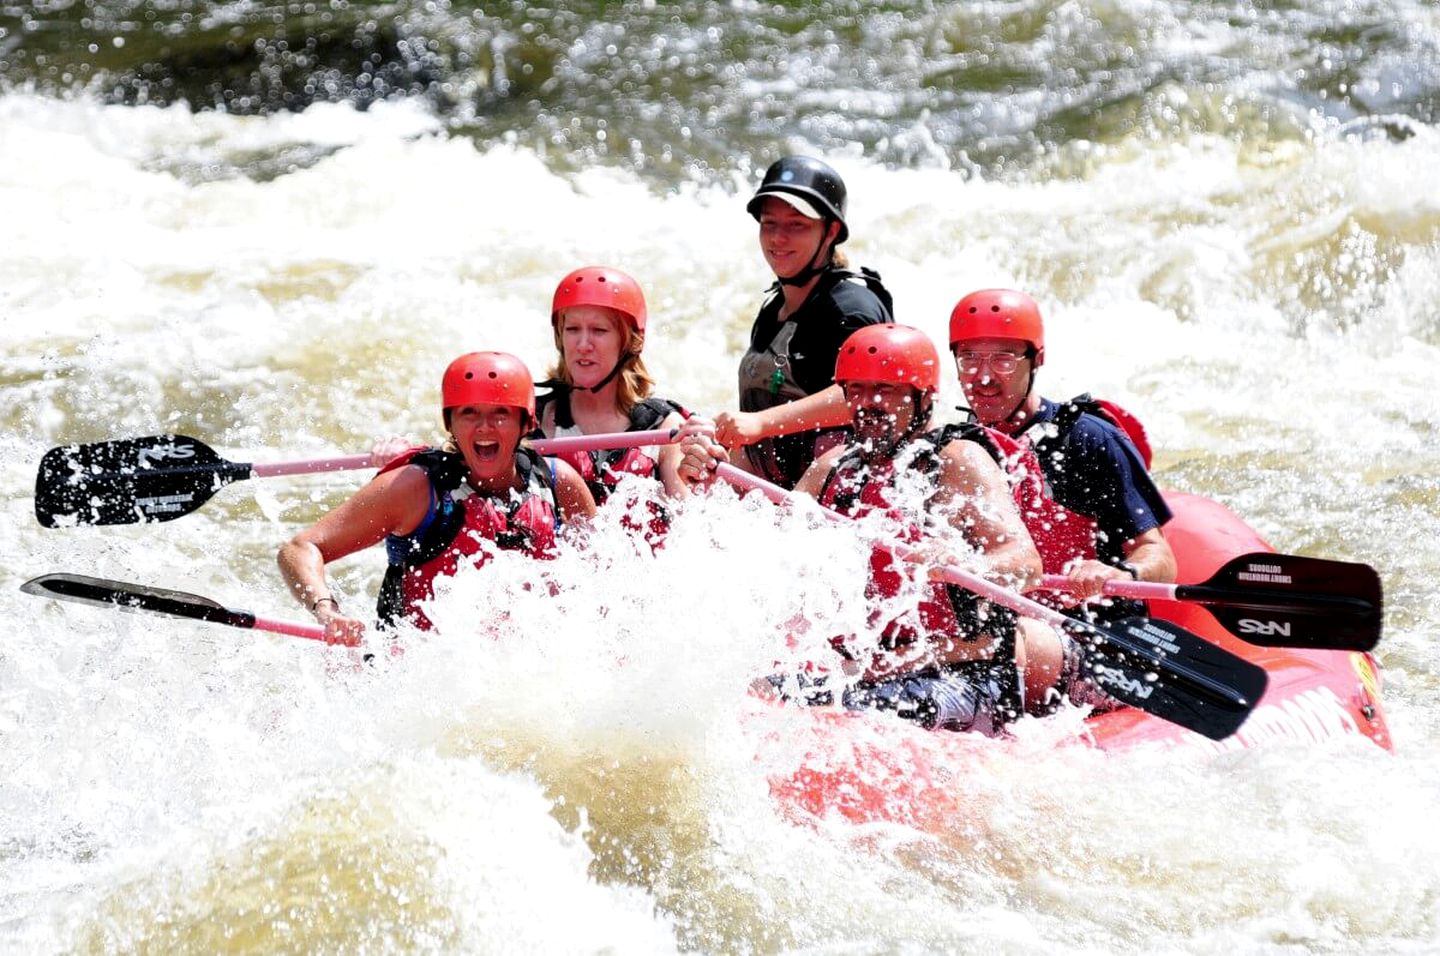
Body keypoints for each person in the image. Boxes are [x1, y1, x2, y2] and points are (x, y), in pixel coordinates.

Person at [686, 324, 1050, 735]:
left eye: (886, 390)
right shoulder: (833, 467)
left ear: (923, 396)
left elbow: (1026, 564)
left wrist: (961, 561)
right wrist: (708, 484)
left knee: (852, 717)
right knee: (746, 695)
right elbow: (770, 551)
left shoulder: (958, 459)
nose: (868, 403)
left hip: (965, 674)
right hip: (866, 673)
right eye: (856, 390)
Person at [279, 351, 596, 641]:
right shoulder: (414, 488)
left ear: (527, 422)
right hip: (417, 665)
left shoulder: (557, 482)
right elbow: (300, 549)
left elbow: (600, 577)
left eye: (500, 413)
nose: (484, 427)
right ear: (450, 422)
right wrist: (327, 610)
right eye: (469, 413)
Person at [948, 288, 1176, 608]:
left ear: (1037, 359)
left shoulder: (1089, 438)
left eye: (1003, 359)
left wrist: (1119, 573)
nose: (984, 376)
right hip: (1010, 621)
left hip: (1092, 619)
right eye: (969, 358)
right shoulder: (958, 447)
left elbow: (1158, 555)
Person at [709, 155, 895, 489]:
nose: (778, 238)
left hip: (838, 493)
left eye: (797, 225)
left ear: (831, 231)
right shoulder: (774, 307)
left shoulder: (852, 309)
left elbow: (871, 397)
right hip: (778, 490)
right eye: (769, 224)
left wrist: (761, 423)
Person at [536, 266, 689, 504]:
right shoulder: (532, 422)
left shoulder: (665, 429)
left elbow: (689, 516)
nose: (583, 345)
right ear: (560, 337)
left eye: (599, 330)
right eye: (572, 329)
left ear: (629, 342)